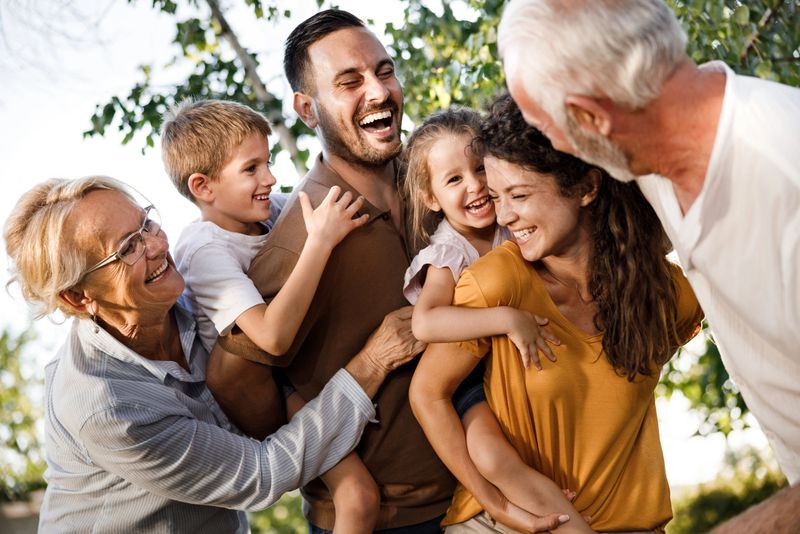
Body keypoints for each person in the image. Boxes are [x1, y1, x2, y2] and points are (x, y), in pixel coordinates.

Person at [498, 2, 800, 508]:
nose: (545, 143)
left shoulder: (783, 179)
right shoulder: (651, 151)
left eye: (543, 125)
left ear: (591, 118)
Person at [2, 175, 423, 533]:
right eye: (127, 247)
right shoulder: (105, 405)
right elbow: (263, 472)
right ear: (77, 298)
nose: (155, 245)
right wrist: (371, 364)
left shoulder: (198, 307)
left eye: (146, 223)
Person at [409, 94, 704, 533]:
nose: (504, 215)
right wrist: (495, 501)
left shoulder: (666, 292)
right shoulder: (494, 281)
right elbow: (427, 392)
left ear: (587, 186)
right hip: (514, 524)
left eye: (519, 195)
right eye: (497, 196)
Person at [210, 9, 456, 533]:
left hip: (480, 495)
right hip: (389, 519)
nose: (378, 91)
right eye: (349, 82)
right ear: (307, 109)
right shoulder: (301, 237)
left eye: (384, 72)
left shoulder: (439, 183)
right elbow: (233, 380)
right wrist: (335, 473)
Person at [159, 98, 384, 534]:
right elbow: (272, 338)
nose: (270, 178)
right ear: (203, 187)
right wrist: (320, 241)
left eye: (268, 162)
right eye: (251, 169)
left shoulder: (272, 212)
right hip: (259, 386)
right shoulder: (204, 249)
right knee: (357, 496)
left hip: (295, 364)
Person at [402, 108, 582, 530]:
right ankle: (527, 510)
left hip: (512, 372)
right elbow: (425, 323)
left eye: (480, 168)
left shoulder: (511, 225)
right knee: (489, 454)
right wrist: (505, 318)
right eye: (454, 179)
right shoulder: (448, 253)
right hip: (468, 381)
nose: (475, 185)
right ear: (431, 199)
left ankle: (542, 491)